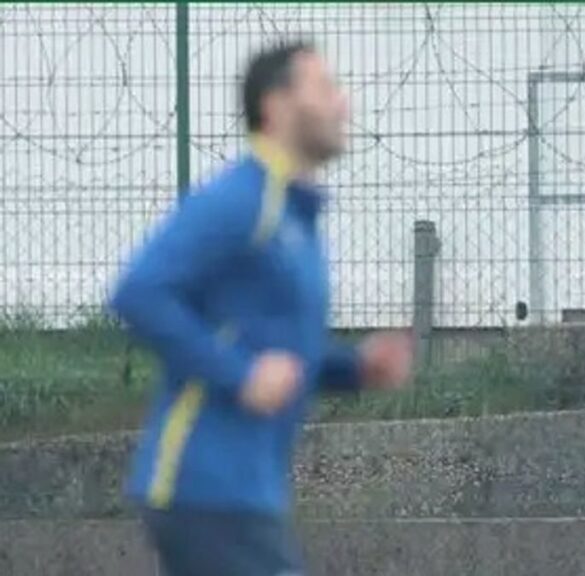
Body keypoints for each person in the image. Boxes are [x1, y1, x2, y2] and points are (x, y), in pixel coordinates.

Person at [108, 41, 413, 576]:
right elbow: (139, 291)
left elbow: (281, 354)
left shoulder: (296, 220)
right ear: (274, 107)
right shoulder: (244, 199)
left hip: (244, 493)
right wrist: (240, 374)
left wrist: (355, 366)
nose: (343, 103)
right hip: (205, 482)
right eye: (323, 88)